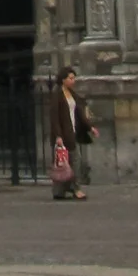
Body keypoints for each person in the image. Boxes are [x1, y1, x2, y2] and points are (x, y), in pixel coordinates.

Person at [48, 65, 94, 201]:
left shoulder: (72, 94)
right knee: (71, 162)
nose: (73, 81)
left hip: (72, 132)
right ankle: (75, 189)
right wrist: (58, 136)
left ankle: (60, 191)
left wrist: (90, 127)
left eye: (74, 78)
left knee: (66, 163)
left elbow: (79, 113)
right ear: (63, 79)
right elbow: (54, 117)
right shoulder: (57, 95)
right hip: (64, 135)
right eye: (71, 78)